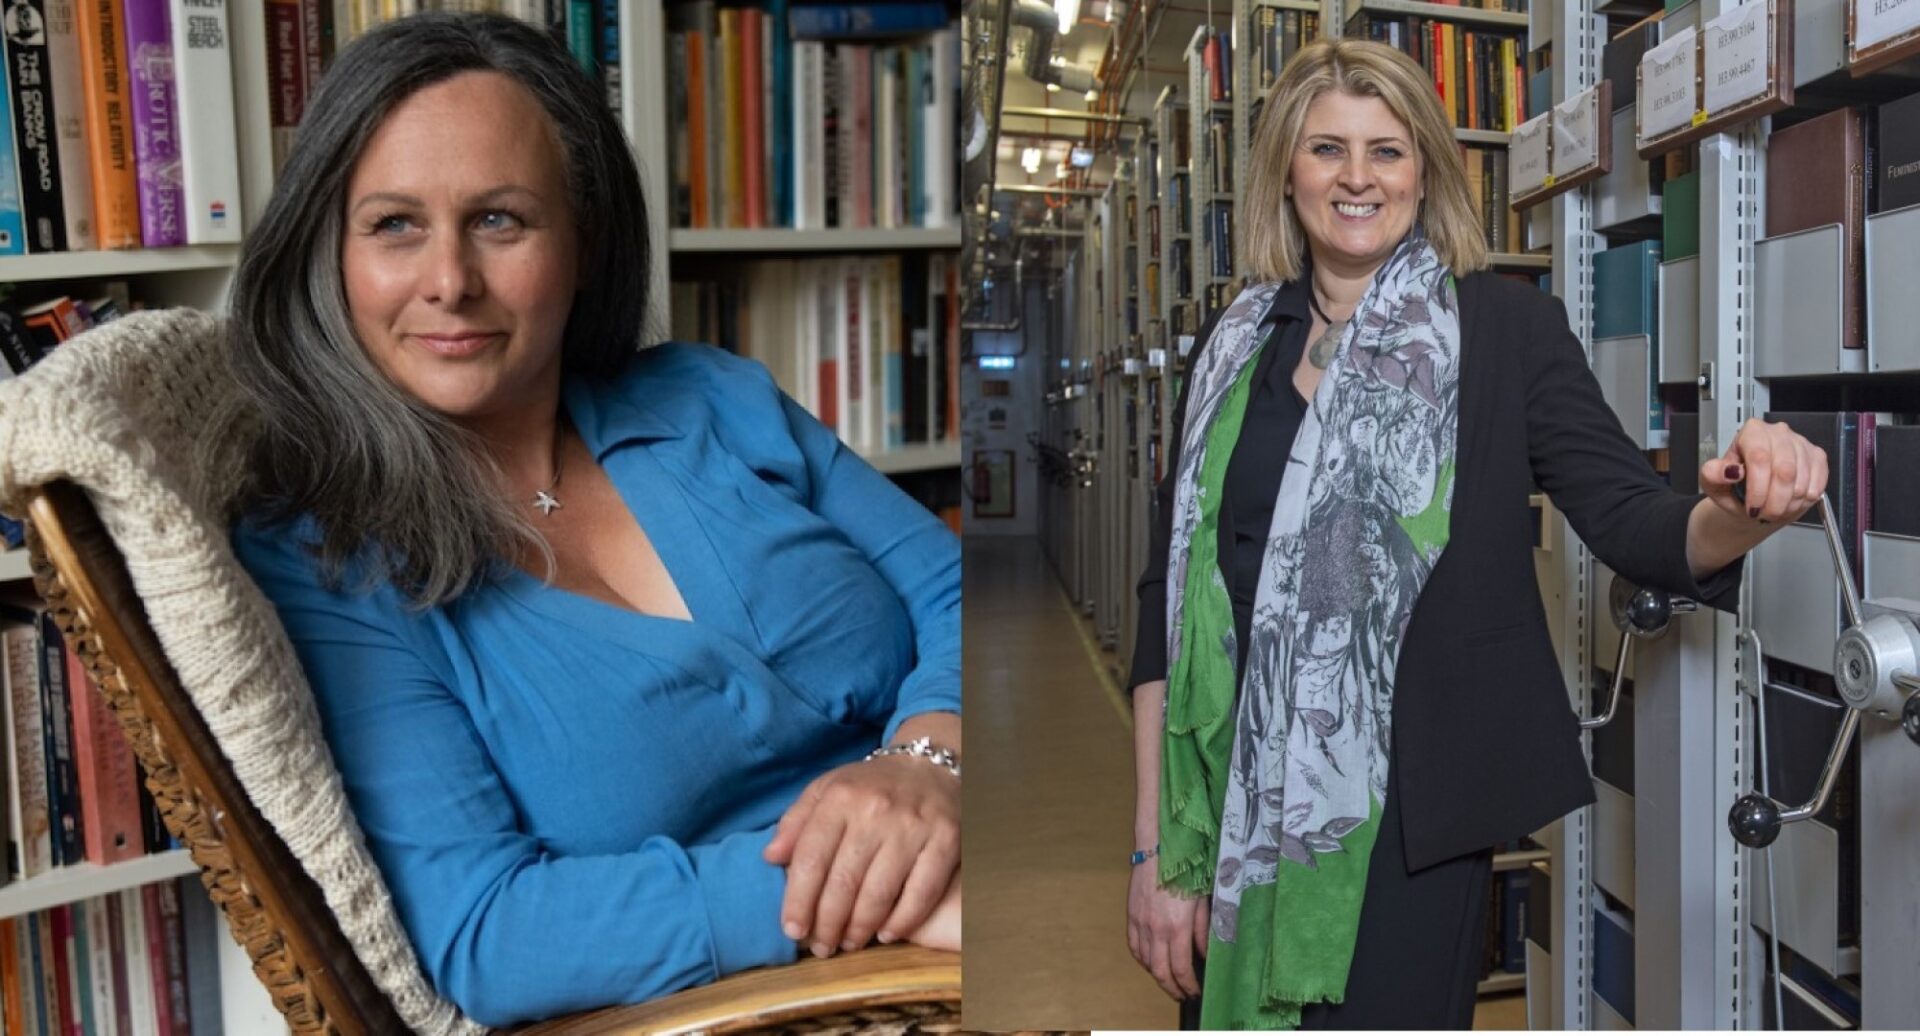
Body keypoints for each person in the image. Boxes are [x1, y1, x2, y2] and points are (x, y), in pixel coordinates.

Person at [219, 13, 959, 1028]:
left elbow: (958, 588)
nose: (448, 281)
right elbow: (489, 932)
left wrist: (930, 758)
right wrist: (879, 890)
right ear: (327, 253)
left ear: (584, 239)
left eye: (500, 220)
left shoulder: (707, 394)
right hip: (825, 993)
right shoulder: (327, 559)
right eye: (394, 224)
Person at [1124, 38, 1824, 1030]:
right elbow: (1167, 597)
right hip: (1223, 805)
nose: (1357, 177)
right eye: (1328, 148)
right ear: (1287, 169)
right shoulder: (1233, 345)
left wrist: (1746, 501)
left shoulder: (1504, 332)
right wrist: (1155, 850)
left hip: (1417, 814)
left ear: (1426, 173)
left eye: (1388, 150)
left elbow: (1644, 528)